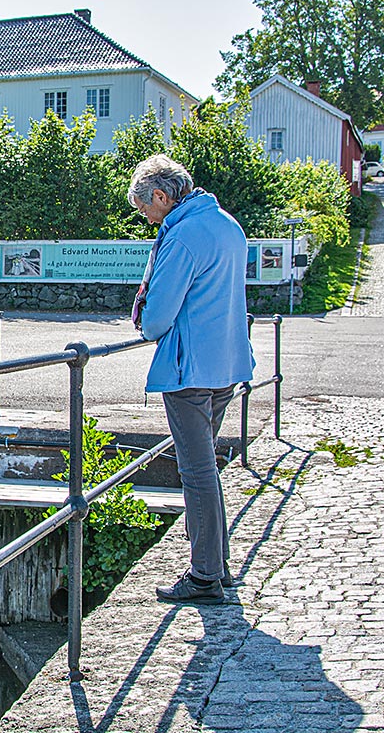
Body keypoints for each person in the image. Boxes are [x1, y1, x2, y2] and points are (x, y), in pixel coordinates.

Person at [127, 155, 255, 604]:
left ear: (161, 196)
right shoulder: (226, 224)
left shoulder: (181, 236)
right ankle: (218, 566)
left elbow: (158, 317)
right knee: (207, 471)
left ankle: (204, 577)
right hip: (225, 364)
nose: (148, 218)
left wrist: (143, 324)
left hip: (189, 368)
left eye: (147, 209)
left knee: (196, 473)